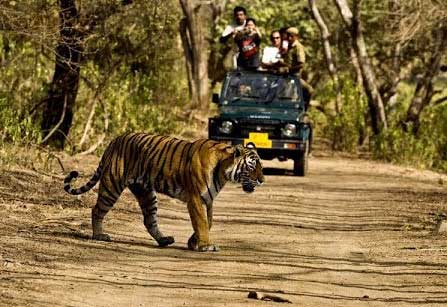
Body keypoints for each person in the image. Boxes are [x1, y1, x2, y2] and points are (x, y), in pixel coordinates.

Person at [281, 27, 313, 109]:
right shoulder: (288, 46)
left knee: (308, 91)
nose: (289, 38)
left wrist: (289, 70)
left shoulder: (298, 47)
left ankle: (303, 109)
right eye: (288, 36)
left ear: (296, 36)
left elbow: (301, 64)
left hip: (294, 76)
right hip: (285, 76)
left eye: (291, 36)